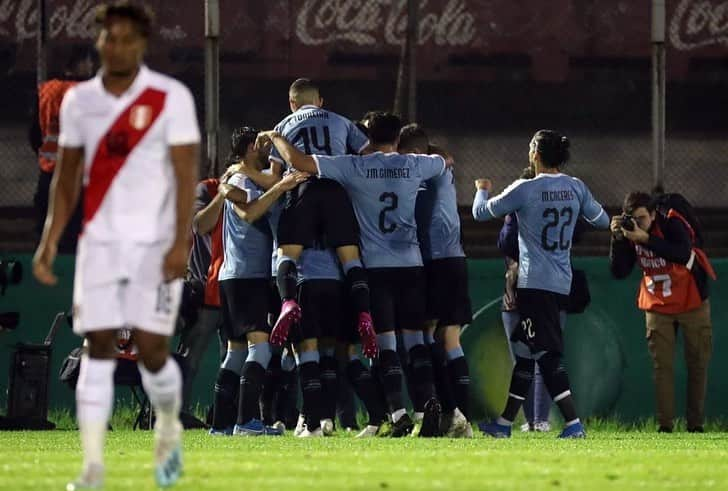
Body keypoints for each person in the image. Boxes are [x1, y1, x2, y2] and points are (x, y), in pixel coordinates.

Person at [32, 3, 200, 488]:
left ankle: (168, 425)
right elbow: (65, 180)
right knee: (97, 347)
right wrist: (48, 241)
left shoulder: (171, 98)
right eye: (110, 37)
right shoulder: (79, 102)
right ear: (99, 41)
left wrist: (179, 242)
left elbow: (186, 176)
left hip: (153, 245)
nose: (118, 46)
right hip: (99, 244)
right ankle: (92, 468)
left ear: (143, 44)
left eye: (128, 39)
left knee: (150, 353)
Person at [256, 112, 451, 437]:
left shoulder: (354, 166)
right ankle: (424, 406)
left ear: (367, 139)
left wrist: (276, 136)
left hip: (373, 268)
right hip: (412, 264)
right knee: (416, 340)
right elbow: (443, 161)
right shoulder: (415, 165)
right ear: (398, 140)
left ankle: (398, 412)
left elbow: (302, 162)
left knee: (386, 344)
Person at [473, 130, 609, 439]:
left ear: (535, 153)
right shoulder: (576, 187)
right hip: (562, 281)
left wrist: (482, 190)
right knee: (526, 351)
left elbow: (480, 213)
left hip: (534, 283)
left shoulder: (526, 188)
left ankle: (574, 424)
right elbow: (600, 220)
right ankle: (504, 424)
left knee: (546, 355)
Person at [242, 79, 377, 358]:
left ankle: (289, 302)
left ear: (292, 103)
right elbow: (368, 155)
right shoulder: (341, 121)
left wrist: (243, 171)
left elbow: (273, 179)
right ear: (320, 101)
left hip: (302, 190)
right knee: (350, 258)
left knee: (287, 256)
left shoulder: (283, 126)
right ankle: (364, 312)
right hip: (336, 189)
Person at [210, 127, 308, 437]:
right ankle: (245, 421)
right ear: (254, 147)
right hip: (245, 275)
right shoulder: (239, 179)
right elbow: (251, 213)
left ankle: (221, 424)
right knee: (262, 348)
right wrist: (282, 186)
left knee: (236, 352)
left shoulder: (242, 179)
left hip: (239, 276)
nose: (270, 154)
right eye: (265, 146)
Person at [609, 191, 715, 433]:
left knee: (698, 362)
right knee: (662, 366)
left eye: (642, 218)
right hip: (657, 302)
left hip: (692, 300)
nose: (638, 223)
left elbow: (681, 252)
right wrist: (618, 240)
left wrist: (645, 238)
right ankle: (665, 426)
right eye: (633, 218)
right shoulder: (630, 231)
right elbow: (619, 271)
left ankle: (695, 425)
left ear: (654, 214)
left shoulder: (672, 222)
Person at [400, 123, 473, 438]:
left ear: (416, 153)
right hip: (454, 258)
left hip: (435, 260)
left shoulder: (426, 172)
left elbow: (418, 215)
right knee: (448, 338)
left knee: (428, 335)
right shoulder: (440, 166)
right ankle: (459, 418)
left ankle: (451, 413)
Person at [29, 46, 96, 253]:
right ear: (81, 64)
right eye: (89, 61)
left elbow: (34, 135)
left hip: (49, 173)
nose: (92, 66)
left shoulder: (46, 91)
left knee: (46, 232)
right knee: (75, 235)